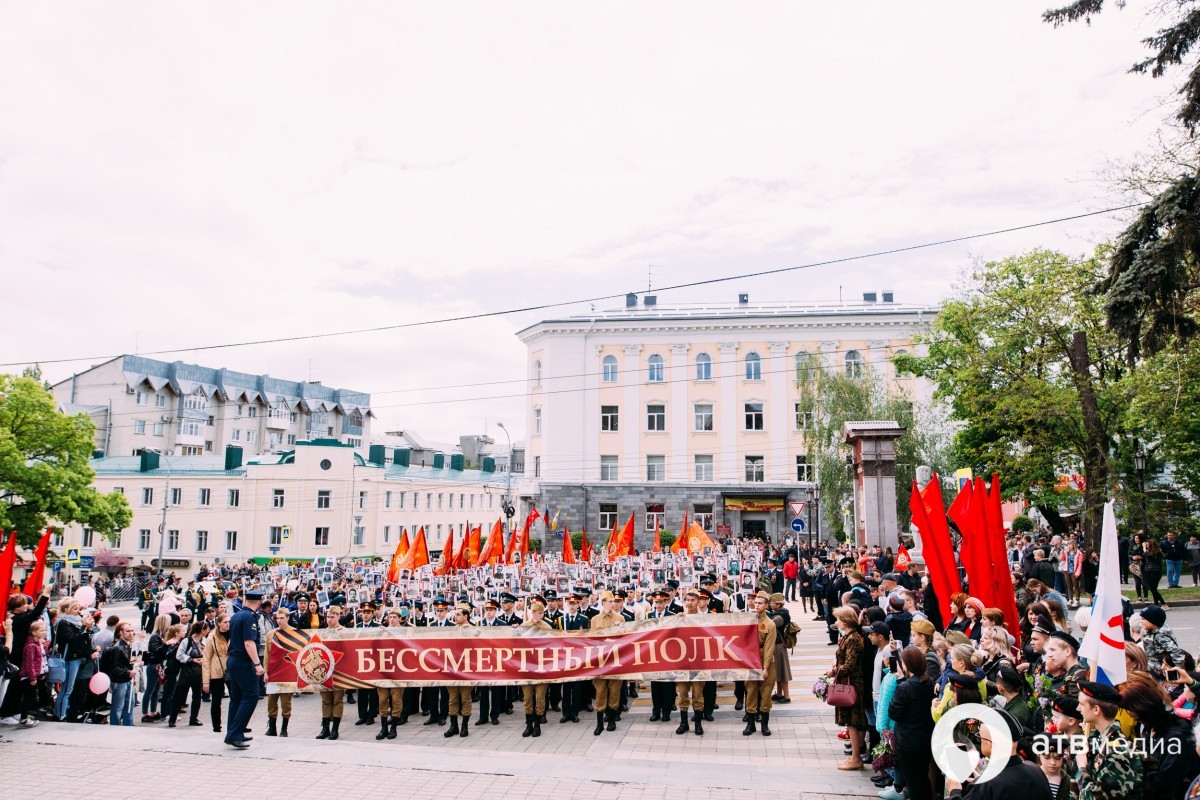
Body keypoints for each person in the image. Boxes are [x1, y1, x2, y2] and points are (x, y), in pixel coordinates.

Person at [944, 708, 1053, 800]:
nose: (979, 741)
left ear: (990, 744)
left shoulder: (986, 786)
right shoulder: (1036, 771)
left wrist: (955, 791)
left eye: (980, 738)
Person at [1075, 680, 1141, 800]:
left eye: (1081, 704)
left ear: (1096, 710)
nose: (1078, 708)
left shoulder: (1118, 751)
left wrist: (1082, 769)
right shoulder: (1095, 739)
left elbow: (1098, 797)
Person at [888, 645, 937, 800]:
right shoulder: (929, 683)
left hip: (908, 741)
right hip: (926, 738)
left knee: (914, 782)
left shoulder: (905, 688)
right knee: (922, 778)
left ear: (906, 665)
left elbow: (894, 713)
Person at [224, 588, 265, 749]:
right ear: (260, 602)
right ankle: (234, 733)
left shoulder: (237, 615)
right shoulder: (249, 617)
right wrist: (257, 664)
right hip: (243, 661)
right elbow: (249, 642)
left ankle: (234, 731)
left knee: (237, 697)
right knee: (251, 696)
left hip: (233, 660)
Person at [590, 590, 624, 735]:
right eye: (610, 601)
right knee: (600, 691)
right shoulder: (595, 619)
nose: (613, 603)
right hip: (600, 661)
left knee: (614, 691)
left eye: (614, 601)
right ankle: (599, 723)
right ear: (603, 602)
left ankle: (611, 720)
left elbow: (623, 638)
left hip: (615, 660)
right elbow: (591, 639)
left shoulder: (620, 618)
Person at [674, 588, 706, 736]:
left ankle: (698, 724)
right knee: (683, 694)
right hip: (682, 662)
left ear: (699, 602)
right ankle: (684, 723)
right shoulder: (680, 617)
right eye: (688, 600)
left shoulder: (704, 619)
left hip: (698, 662)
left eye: (693, 600)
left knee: (698, 695)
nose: (690, 603)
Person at [519, 600, 553, 738]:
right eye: (539, 613)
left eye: (543, 612)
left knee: (540, 698)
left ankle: (537, 725)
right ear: (532, 613)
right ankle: (528, 725)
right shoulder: (524, 626)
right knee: (527, 698)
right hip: (527, 667)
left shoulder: (547, 626)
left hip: (541, 667)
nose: (541, 615)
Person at [51, 599, 88, 721]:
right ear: (66, 609)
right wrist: (83, 628)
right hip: (69, 658)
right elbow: (72, 638)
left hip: (77, 657)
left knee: (69, 688)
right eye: (75, 609)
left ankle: (62, 712)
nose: (78, 611)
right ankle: (60, 714)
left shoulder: (75, 621)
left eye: (78, 608)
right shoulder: (63, 623)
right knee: (67, 689)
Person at [444, 603, 473, 738]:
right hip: (453, 669)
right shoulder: (451, 630)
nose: (456, 617)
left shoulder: (473, 630)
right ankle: (453, 725)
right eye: (455, 614)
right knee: (453, 699)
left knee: (466, 699)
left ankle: (464, 726)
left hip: (466, 670)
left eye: (459, 615)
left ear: (466, 616)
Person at [168, 621, 205, 728]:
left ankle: (193, 718)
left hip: (199, 672)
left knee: (197, 696)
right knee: (179, 696)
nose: (207, 631)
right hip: (186, 672)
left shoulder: (204, 641)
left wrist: (203, 660)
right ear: (202, 631)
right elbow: (179, 655)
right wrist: (192, 660)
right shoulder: (187, 641)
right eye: (206, 629)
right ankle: (172, 719)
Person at [101, 621, 139, 727]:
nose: (131, 633)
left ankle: (128, 724)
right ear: (121, 632)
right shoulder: (117, 647)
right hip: (119, 680)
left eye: (132, 631)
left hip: (126, 679)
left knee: (129, 704)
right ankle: (116, 726)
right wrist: (128, 673)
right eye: (128, 631)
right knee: (119, 706)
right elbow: (114, 668)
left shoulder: (127, 645)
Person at [202, 612, 230, 733]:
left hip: (231, 669)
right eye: (225, 622)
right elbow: (206, 658)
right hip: (216, 670)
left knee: (236, 698)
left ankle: (235, 725)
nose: (228, 624)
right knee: (216, 701)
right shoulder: (212, 636)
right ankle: (216, 727)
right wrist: (205, 681)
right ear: (218, 623)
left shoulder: (233, 634)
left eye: (229, 622)